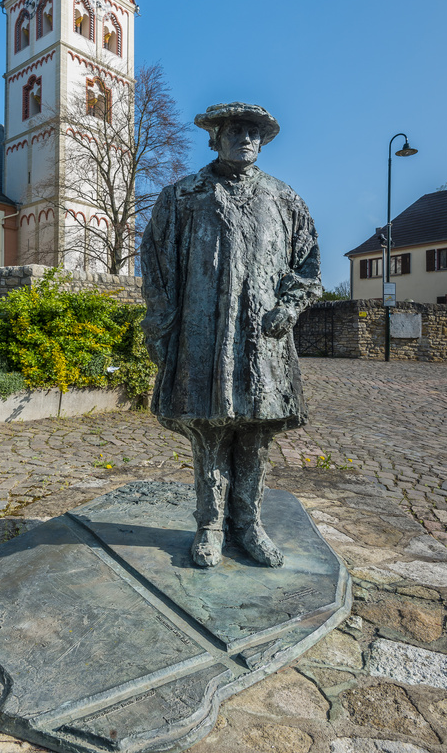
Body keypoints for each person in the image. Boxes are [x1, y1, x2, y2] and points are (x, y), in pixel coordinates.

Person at [140, 102, 321, 568]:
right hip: (204, 341)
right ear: (215, 137)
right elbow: (157, 267)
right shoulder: (184, 195)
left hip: (263, 343)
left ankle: (249, 523)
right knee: (210, 433)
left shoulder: (284, 199)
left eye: (254, 133)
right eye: (236, 131)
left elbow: (307, 267)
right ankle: (210, 524)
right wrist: (162, 327)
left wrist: (289, 305)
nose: (246, 139)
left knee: (255, 436)